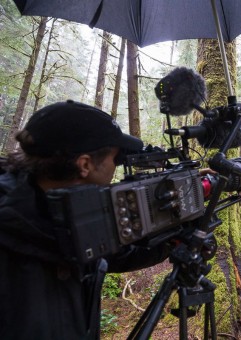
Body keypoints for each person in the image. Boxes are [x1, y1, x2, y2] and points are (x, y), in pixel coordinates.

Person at [0, 100, 171, 339]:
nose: (116, 168)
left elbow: (115, 253)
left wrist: (172, 241)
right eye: (116, 159)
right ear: (85, 164)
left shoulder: (69, 212)